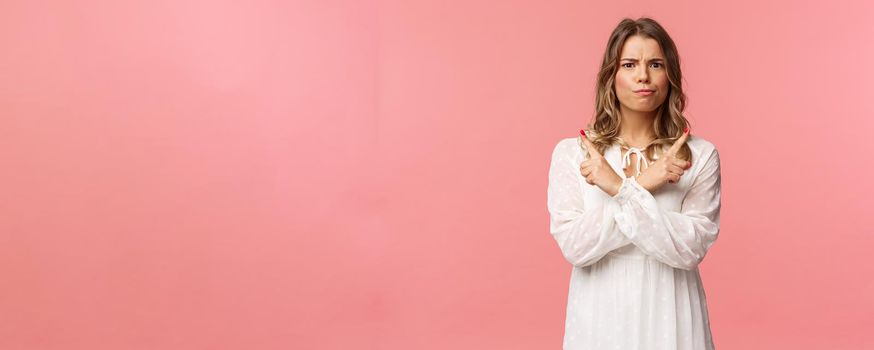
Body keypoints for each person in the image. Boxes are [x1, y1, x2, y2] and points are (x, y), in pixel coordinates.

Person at [547, 17, 722, 350]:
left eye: (655, 64)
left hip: (672, 318)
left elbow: (689, 249)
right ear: (611, 76)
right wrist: (645, 182)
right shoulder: (574, 154)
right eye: (629, 64)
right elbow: (576, 247)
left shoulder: (699, 155)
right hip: (599, 320)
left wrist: (619, 186)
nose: (643, 76)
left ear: (670, 75)